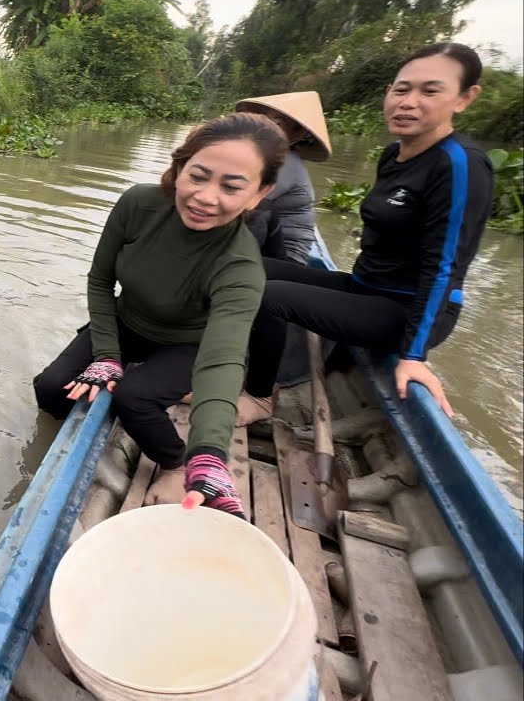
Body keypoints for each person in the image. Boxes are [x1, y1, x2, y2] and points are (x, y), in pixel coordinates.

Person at [32, 113, 288, 517]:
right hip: (127, 321)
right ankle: (80, 433)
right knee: (50, 388)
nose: (205, 196)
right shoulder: (138, 204)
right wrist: (107, 357)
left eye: (231, 186)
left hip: (188, 343)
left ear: (259, 194)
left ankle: (176, 461)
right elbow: (100, 282)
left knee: (134, 397)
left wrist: (209, 454)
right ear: (179, 166)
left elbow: (221, 360)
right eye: (198, 175)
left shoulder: (240, 267)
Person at [242, 43, 493, 424]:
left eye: (430, 91)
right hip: (365, 288)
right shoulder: (393, 154)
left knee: (268, 295)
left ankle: (259, 397)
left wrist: (414, 354)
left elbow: (446, 267)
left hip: (406, 311)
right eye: (401, 89)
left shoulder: (460, 165)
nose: (408, 102)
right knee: (245, 266)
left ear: (465, 98)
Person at [235, 92, 332, 265]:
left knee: (256, 209)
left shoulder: (287, 163)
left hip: (286, 258)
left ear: (297, 135)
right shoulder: (264, 157)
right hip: (266, 241)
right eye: (263, 118)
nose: (265, 127)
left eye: (277, 124)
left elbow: (241, 203)